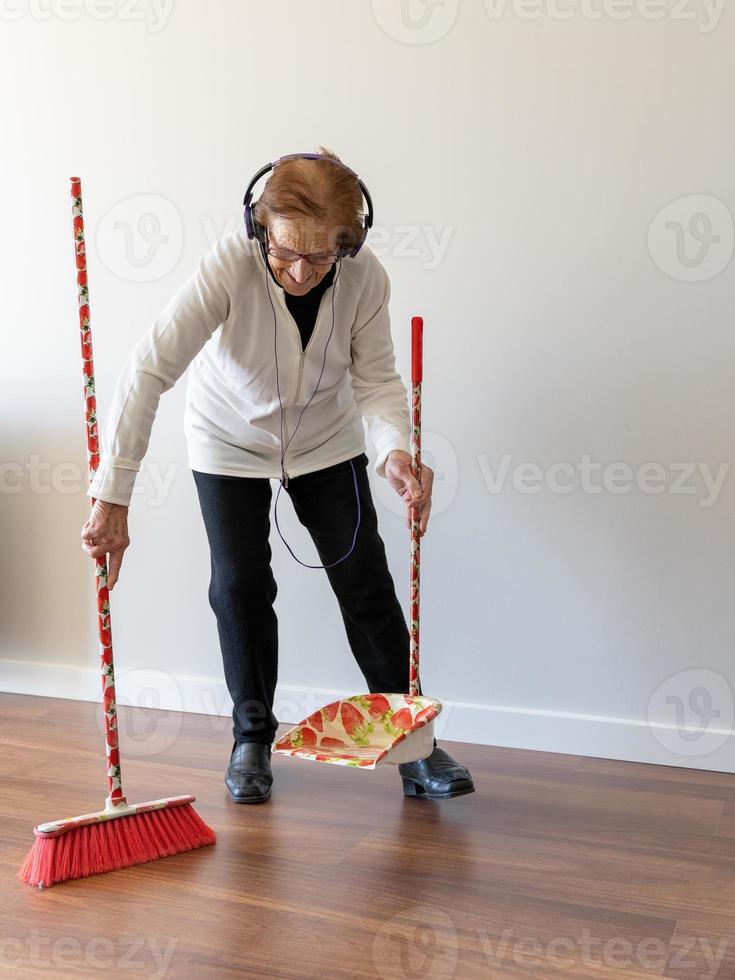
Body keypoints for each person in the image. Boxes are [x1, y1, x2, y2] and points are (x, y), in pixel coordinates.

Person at [81, 148, 474, 803]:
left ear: (348, 244)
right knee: (238, 587)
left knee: (367, 585)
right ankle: (252, 739)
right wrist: (112, 497)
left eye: (320, 257)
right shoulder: (227, 268)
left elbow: (375, 380)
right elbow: (147, 371)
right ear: (258, 229)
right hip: (227, 439)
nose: (298, 272)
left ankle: (412, 744)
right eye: (284, 251)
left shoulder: (365, 279)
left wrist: (395, 452)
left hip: (326, 439)